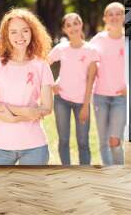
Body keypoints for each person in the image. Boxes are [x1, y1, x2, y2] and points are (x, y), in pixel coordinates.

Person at [0, 8, 54, 165]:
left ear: (32, 32)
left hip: (34, 146)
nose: (20, 36)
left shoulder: (41, 65)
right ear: (7, 36)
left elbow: (47, 108)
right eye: (13, 32)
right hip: (0, 145)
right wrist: (26, 113)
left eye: (25, 31)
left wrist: (11, 116)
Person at [48, 13, 98, 165]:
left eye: (75, 23)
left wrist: (85, 106)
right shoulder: (61, 48)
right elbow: (43, 64)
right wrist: (51, 83)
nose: (73, 28)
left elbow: (91, 80)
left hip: (81, 102)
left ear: (81, 24)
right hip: (61, 100)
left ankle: (84, 175)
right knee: (63, 140)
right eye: (68, 25)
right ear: (64, 29)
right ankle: (66, 173)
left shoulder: (90, 50)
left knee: (83, 142)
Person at [90, 2, 126, 165]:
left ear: (124, 16)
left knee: (115, 140)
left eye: (118, 13)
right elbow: (86, 64)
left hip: (120, 99)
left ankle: (119, 173)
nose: (114, 17)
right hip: (100, 97)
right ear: (105, 18)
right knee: (104, 141)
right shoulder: (98, 40)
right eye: (110, 14)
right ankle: (110, 176)